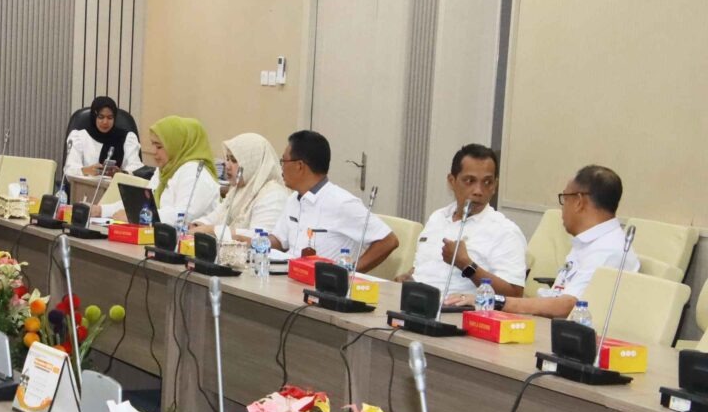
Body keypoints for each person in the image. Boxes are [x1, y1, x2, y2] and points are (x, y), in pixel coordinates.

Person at [478, 165, 639, 319]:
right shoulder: (588, 242)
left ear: (579, 201)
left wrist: (496, 301)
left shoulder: (608, 250)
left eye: (565, 199)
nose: (562, 208)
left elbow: (568, 306)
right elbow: (560, 295)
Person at [396, 144, 526, 297]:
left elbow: (514, 294)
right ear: (452, 181)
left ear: (495, 186)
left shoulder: (505, 231)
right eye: (470, 181)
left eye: (487, 182)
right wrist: (409, 276)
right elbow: (427, 266)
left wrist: (466, 264)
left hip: (457, 308)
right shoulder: (437, 217)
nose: (478, 191)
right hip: (414, 300)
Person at [268, 130, 398, 272]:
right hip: (290, 276)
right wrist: (252, 242)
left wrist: (348, 273)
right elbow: (279, 241)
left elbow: (388, 241)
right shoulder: (294, 198)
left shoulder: (342, 203)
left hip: (319, 283)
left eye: (283, 161)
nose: (281, 167)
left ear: (299, 165)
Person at [94, 116, 219, 223]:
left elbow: (183, 215)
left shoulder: (195, 172)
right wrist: (101, 210)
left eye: (159, 147)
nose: (154, 152)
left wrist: (137, 216)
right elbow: (142, 203)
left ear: (175, 146)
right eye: (153, 145)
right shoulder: (165, 169)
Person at [188, 133, 290, 240]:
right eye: (227, 159)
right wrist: (198, 224)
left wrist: (212, 230)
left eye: (234, 160)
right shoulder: (239, 188)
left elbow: (260, 238)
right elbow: (218, 215)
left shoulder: (273, 194)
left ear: (252, 163)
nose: (227, 166)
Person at [63, 96, 143, 177]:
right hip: (84, 184)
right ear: (94, 117)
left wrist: (121, 173)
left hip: (115, 184)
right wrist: (86, 170)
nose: (105, 122)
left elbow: (136, 169)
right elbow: (69, 170)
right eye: (101, 117)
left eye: (110, 118)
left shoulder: (126, 138)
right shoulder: (79, 137)